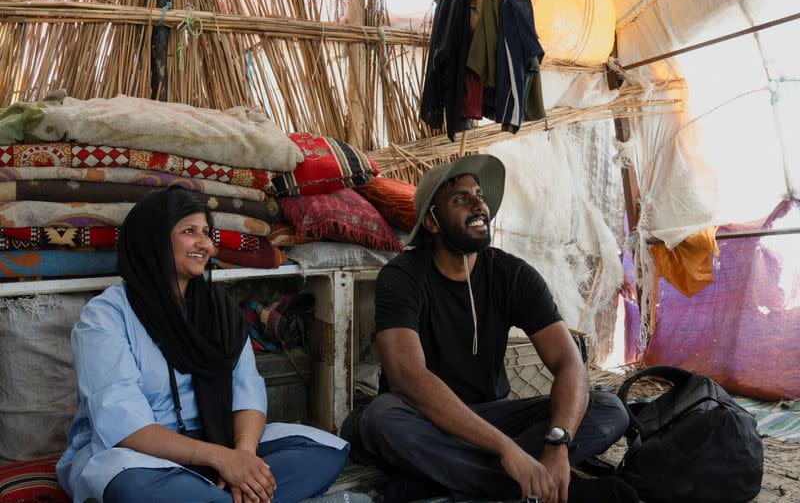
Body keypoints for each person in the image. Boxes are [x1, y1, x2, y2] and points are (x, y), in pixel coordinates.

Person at [343, 155, 634, 503]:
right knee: (380, 418)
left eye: (479, 194)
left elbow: (569, 363)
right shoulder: (402, 277)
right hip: (425, 419)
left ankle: (463, 484)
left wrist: (558, 442)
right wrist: (505, 448)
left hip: (492, 416)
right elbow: (408, 378)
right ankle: (517, 486)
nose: (479, 204)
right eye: (460, 198)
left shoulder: (512, 276)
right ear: (432, 223)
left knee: (607, 409)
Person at [56, 187, 349, 503]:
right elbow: (125, 427)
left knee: (325, 450)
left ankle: (215, 494)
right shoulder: (105, 318)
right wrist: (220, 459)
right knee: (132, 488)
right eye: (189, 231)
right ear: (154, 239)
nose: (205, 244)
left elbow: (247, 390)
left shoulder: (220, 313)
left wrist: (243, 456)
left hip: (219, 439)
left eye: (208, 233)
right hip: (138, 457)